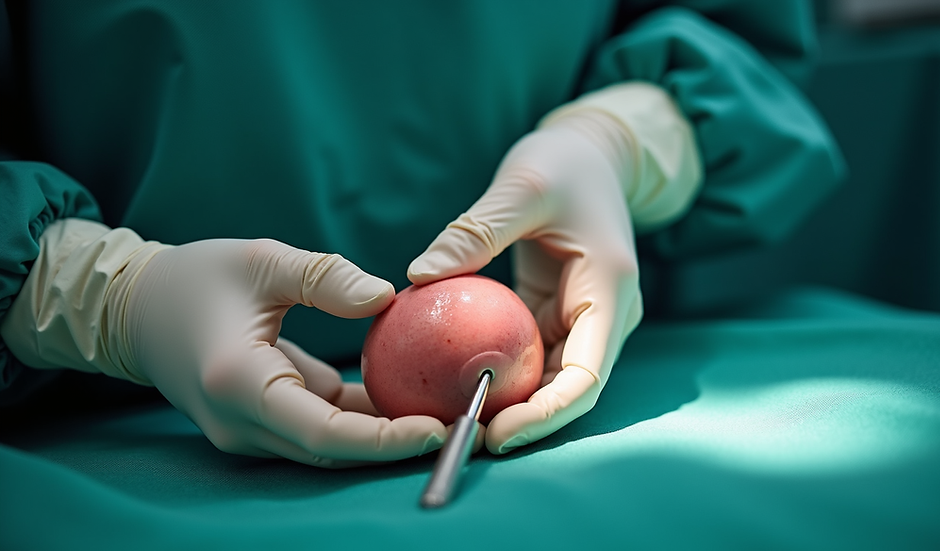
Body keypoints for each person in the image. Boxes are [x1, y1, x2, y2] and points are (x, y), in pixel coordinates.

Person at [0, 0, 844, 466]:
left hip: (569, 357)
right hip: (108, 430)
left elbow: (743, 37)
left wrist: (623, 139)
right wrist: (96, 292)